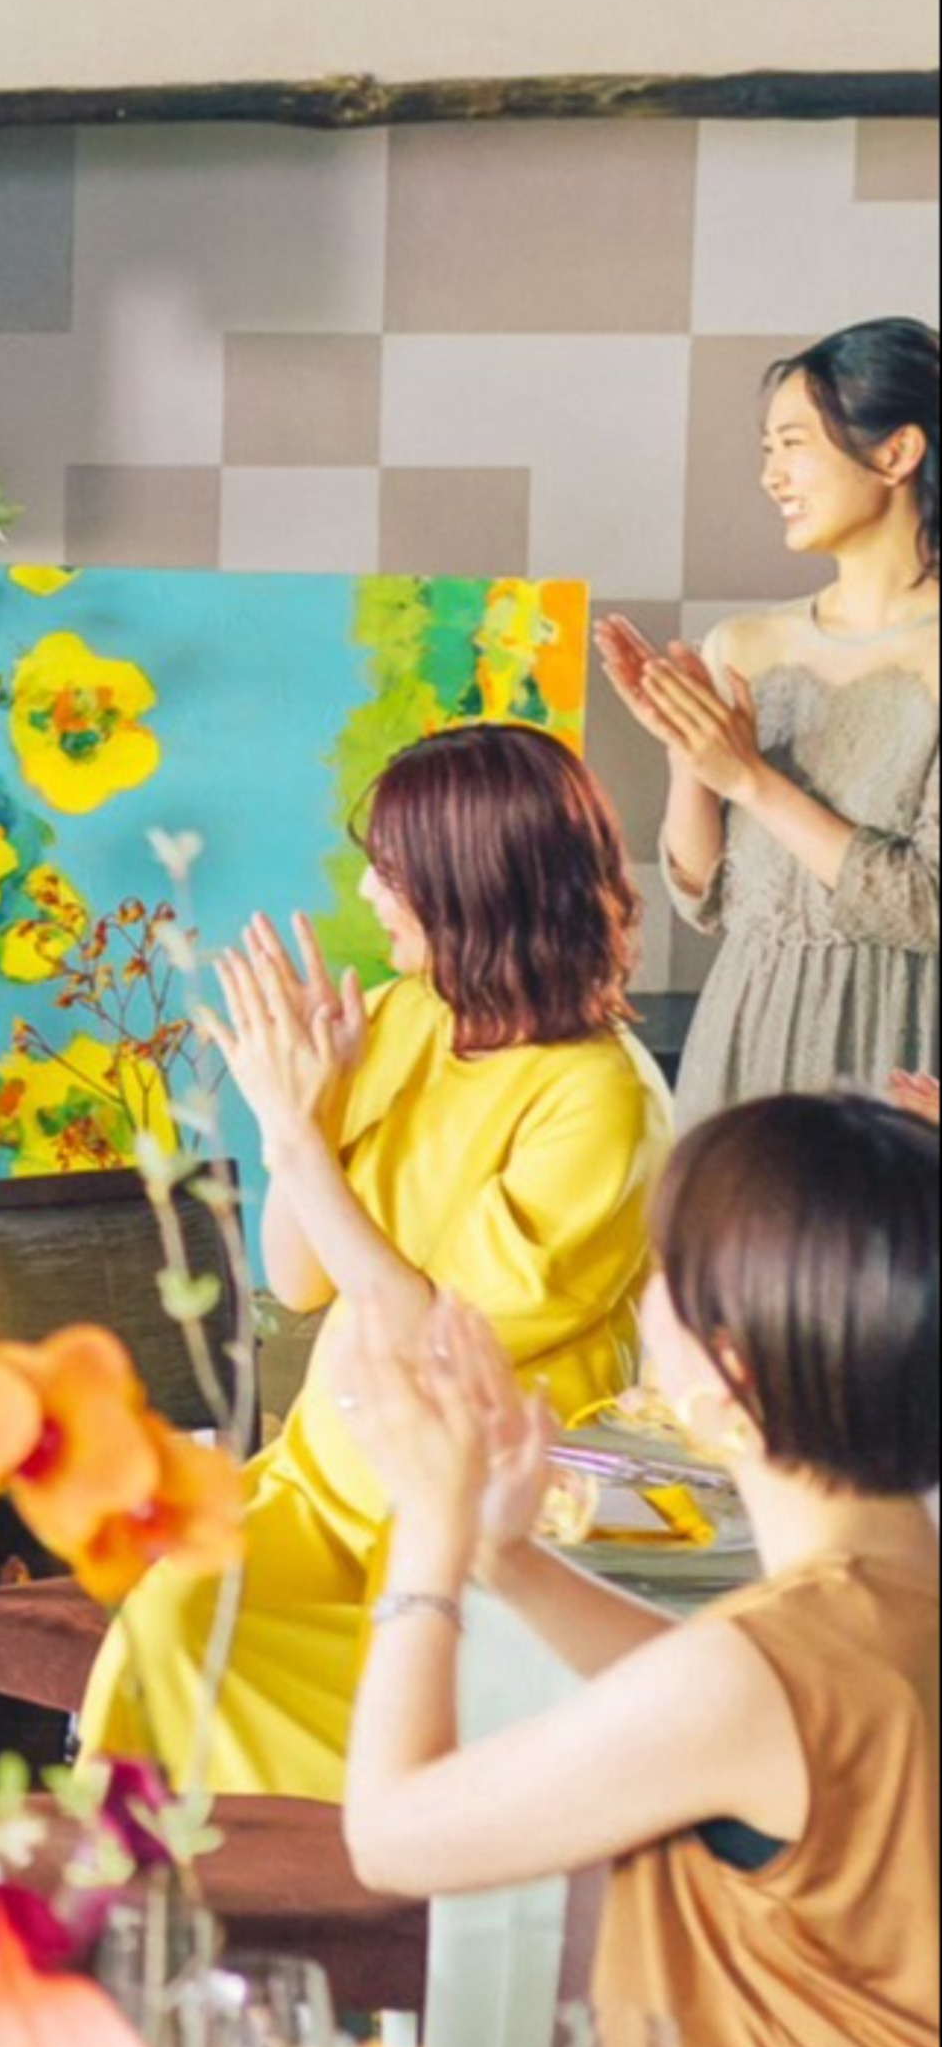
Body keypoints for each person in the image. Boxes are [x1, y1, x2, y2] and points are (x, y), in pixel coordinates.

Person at [339, 1094, 937, 2047]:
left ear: (729, 1371)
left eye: (667, 1270)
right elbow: (729, 1716)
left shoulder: (759, 1675)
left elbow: (388, 1834)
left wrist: (427, 1533)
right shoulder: (882, 1600)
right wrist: (508, 1557)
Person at [79, 720, 670, 1800]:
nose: (368, 890)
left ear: (473, 884)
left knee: (260, 1684)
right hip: (324, 1480)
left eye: (391, 871)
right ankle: (158, 1887)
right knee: (167, 1623)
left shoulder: (602, 1101)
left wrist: (297, 1138)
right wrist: (297, 1120)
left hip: (476, 1522)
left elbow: (436, 1337)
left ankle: (370, 1867)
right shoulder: (404, 1017)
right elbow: (298, 1280)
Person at [600, 317, 937, 1124]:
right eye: (765, 450)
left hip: (896, 1045)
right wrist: (688, 753)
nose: (770, 475)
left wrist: (748, 778)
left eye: (792, 444)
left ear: (896, 452)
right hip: (743, 1033)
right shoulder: (744, 643)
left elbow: (925, 905)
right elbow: (706, 900)